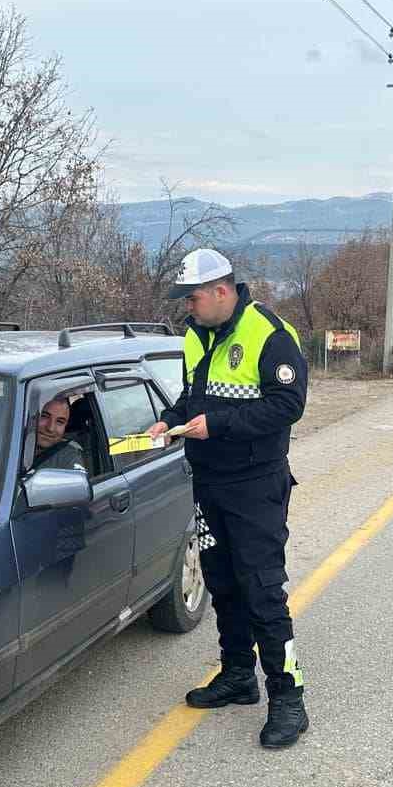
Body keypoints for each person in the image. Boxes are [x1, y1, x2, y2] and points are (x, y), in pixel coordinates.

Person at [146, 247, 309, 749]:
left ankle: (289, 698)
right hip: (209, 482)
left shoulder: (269, 334)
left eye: (192, 298)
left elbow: (289, 405)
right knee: (223, 583)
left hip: (256, 485)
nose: (186, 308)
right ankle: (239, 674)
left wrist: (217, 424)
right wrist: (171, 421)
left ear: (222, 291)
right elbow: (193, 396)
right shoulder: (197, 335)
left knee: (261, 589)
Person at [27, 394, 86, 472]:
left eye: (60, 421)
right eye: (44, 416)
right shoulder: (10, 440)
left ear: (66, 426)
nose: (50, 428)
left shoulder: (68, 457)